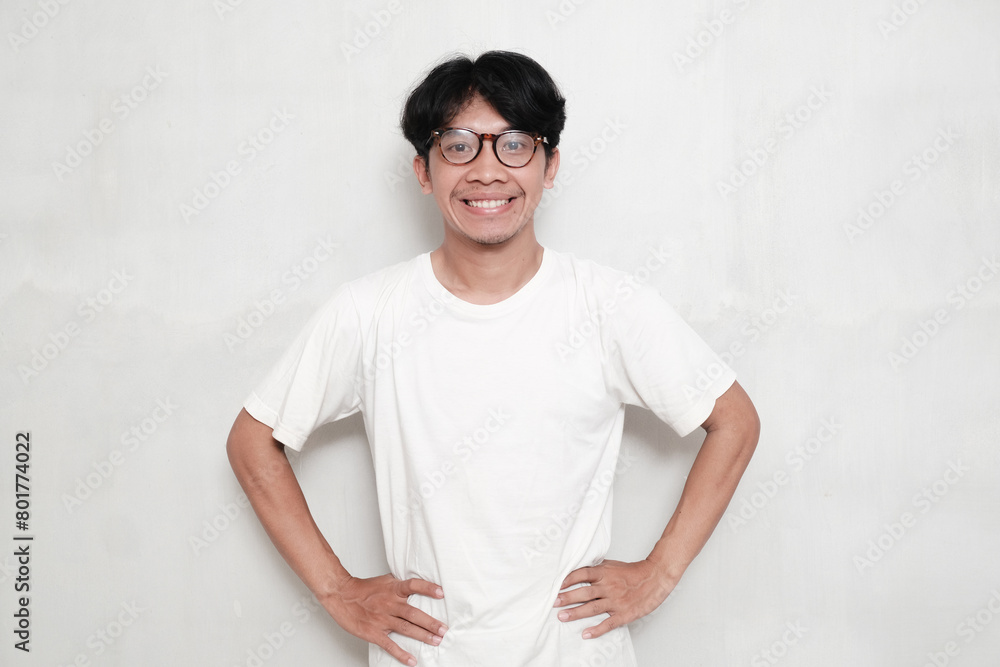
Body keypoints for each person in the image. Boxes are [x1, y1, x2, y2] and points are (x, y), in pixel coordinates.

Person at [226, 50, 760, 667]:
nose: (486, 172)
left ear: (549, 165)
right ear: (423, 170)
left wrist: (660, 572)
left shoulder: (608, 305)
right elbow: (252, 440)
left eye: (514, 145)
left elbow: (734, 421)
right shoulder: (368, 313)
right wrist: (336, 590)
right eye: (458, 146)